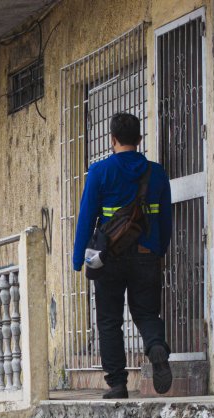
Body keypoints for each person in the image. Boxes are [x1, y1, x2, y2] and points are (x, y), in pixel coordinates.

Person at [71, 112, 174, 399]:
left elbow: (86, 218)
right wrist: (158, 250)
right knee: (145, 312)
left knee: (108, 320)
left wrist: (79, 258)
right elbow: (165, 219)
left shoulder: (100, 172)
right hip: (146, 255)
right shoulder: (157, 173)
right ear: (139, 140)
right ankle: (155, 346)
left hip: (109, 259)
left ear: (112, 139)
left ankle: (117, 384)